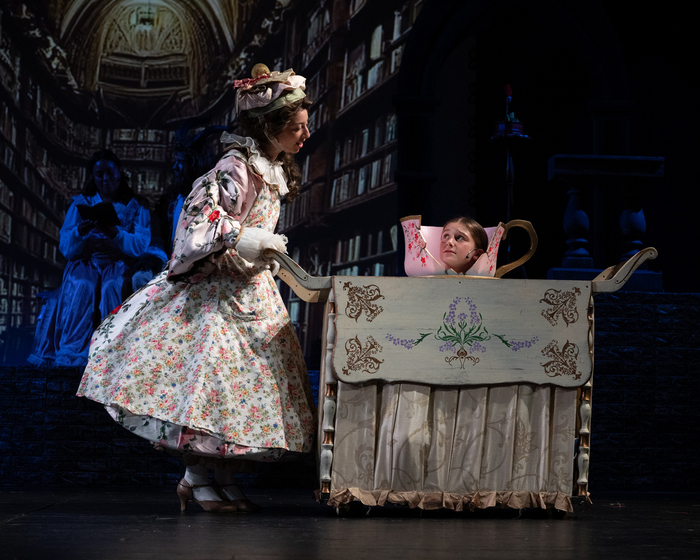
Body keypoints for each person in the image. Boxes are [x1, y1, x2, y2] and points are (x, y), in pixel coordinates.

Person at [77, 64, 315, 513]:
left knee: (241, 390)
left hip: (251, 292)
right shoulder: (237, 166)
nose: (304, 136)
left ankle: (221, 477)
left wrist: (261, 247)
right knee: (208, 389)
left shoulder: (271, 169)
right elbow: (198, 222)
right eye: (297, 128)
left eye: (305, 127)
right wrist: (245, 237)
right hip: (218, 291)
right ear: (270, 126)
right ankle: (196, 476)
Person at [29, 149, 151, 367]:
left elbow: (141, 244)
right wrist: (79, 232)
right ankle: (73, 350)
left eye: (110, 173)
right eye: (99, 174)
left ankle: (112, 349)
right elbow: (66, 245)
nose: (105, 179)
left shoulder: (135, 205)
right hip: (87, 262)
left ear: (119, 173)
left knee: (112, 287)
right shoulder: (81, 203)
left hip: (116, 262)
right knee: (83, 285)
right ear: (93, 176)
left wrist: (117, 234)